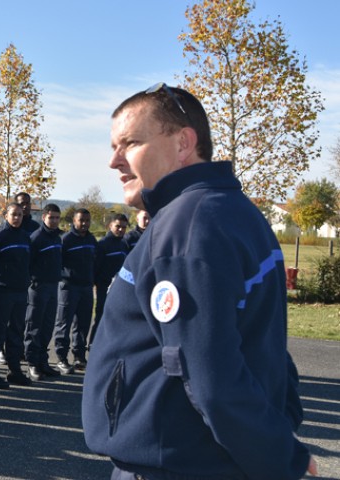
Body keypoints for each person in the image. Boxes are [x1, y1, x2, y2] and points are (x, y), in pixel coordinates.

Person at [82, 83, 316, 479]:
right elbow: (258, 339)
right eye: (113, 146)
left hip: (174, 465)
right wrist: (281, 425)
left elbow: (210, 374)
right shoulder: (225, 211)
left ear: (183, 142)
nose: (114, 161)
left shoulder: (186, 227)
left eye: (130, 143)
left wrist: (280, 456)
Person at [0, 202, 32, 388]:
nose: (17, 218)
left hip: (20, 292)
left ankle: (14, 370)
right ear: (6, 216)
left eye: (20, 215)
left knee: (16, 332)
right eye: (14, 214)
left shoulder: (25, 237)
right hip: (2, 292)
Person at [23, 203, 64, 381]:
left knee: (47, 326)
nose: (54, 221)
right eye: (51, 217)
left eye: (57, 218)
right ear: (44, 217)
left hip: (53, 286)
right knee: (34, 326)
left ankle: (42, 361)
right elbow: (28, 264)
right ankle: (32, 364)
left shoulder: (57, 238)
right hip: (38, 287)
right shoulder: (36, 238)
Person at [55, 208, 96, 375]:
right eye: (81, 220)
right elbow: (57, 262)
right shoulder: (66, 240)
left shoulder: (92, 239)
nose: (84, 223)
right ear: (74, 220)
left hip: (86, 287)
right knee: (64, 323)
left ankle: (79, 356)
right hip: (68, 286)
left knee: (83, 323)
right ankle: (61, 357)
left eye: (87, 220)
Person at [89, 213, 128, 347]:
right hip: (104, 287)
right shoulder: (103, 245)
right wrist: (98, 284)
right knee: (101, 316)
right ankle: (94, 344)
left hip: (119, 288)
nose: (121, 230)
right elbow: (96, 267)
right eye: (118, 226)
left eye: (123, 227)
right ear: (110, 226)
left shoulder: (123, 244)